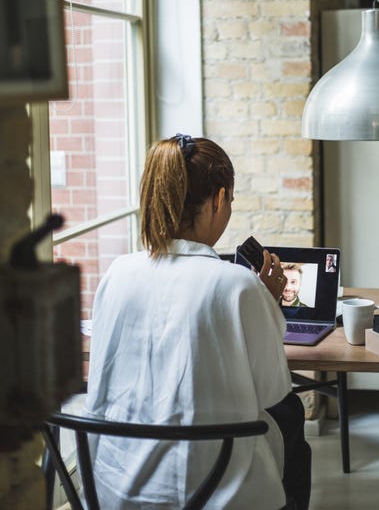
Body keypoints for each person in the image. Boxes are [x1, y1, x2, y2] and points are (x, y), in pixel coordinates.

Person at [85, 134, 311, 510]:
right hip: (212, 492)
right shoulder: (237, 284)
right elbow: (272, 390)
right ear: (219, 199)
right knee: (289, 416)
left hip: (114, 489)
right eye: (231, 202)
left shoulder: (117, 272)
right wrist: (267, 303)